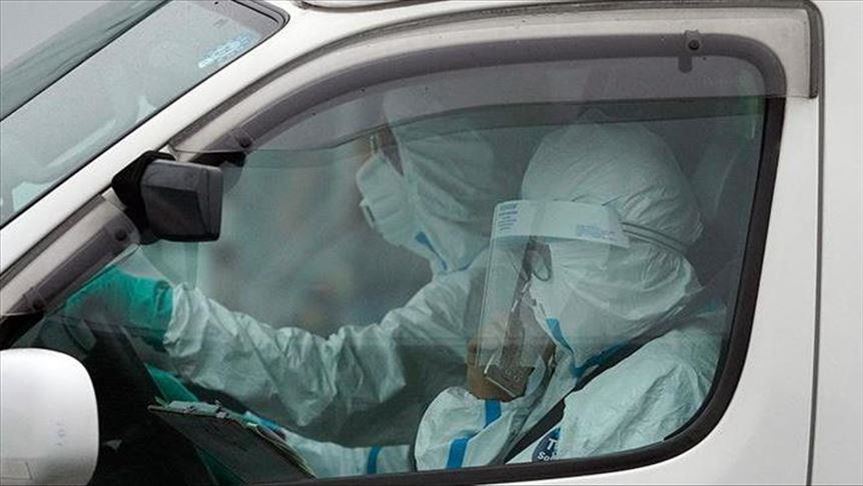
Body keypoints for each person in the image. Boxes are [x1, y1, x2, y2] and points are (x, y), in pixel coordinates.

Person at [61, 112, 526, 457]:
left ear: (441, 170)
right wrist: (255, 441)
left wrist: (168, 317)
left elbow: (341, 388)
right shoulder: (473, 274)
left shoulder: (485, 293)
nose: (368, 171)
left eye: (386, 151)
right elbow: (394, 451)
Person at [413, 111, 725, 469]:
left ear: (615, 258)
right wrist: (496, 396)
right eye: (531, 256)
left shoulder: (667, 382)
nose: (530, 286)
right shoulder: (595, 352)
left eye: (545, 255)